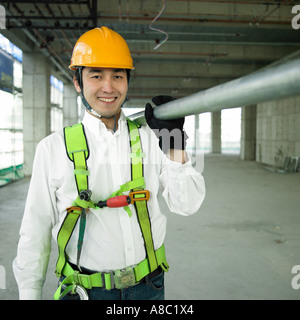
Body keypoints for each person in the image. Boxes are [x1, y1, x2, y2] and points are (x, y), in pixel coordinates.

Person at [13, 26, 205, 300]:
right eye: (96, 75)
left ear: (127, 80)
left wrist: (174, 146)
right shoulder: (53, 150)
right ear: (78, 81)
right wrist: (29, 293)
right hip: (85, 291)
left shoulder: (152, 138)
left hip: (148, 287)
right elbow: (35, 231)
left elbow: (188, 205)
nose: (108, 87)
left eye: (117, 75)